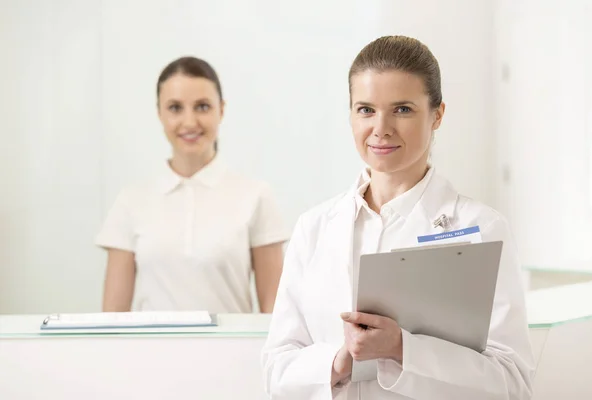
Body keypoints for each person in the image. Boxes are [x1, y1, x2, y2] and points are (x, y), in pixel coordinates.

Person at [261, 36, 534, 399]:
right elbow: (275, 372)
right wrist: (340, 362)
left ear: (437, 114)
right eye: (365, 109)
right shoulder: (314, 228)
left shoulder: (481, 228)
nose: (381, 128)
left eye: (402, 109)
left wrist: (401, 349)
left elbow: (512, 383)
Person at [96, 56, 289, 313]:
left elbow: (274, 316)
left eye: (202, 106)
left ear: (221, 110)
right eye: (175, 108)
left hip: (231, 354)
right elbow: (112, 319)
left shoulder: (255, 196)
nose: (189, 122)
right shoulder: (131, 201)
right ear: (159, 113)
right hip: (149, 354)